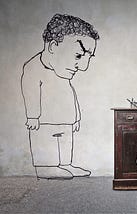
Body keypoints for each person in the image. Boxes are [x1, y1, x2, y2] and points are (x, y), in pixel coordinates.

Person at [21, 14, 99, 179]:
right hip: (43, 123)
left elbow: (71, 93)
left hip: (66, 120)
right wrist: (33, 116)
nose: (83, 67)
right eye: (78, 55)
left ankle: (65, 164)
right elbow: (31, 92)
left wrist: (77, 116)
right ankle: (46, 167)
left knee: (65, 142)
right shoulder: (33, 68)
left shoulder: (62, 72)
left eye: (88, 58)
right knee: (44, 140)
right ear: (53, 46)